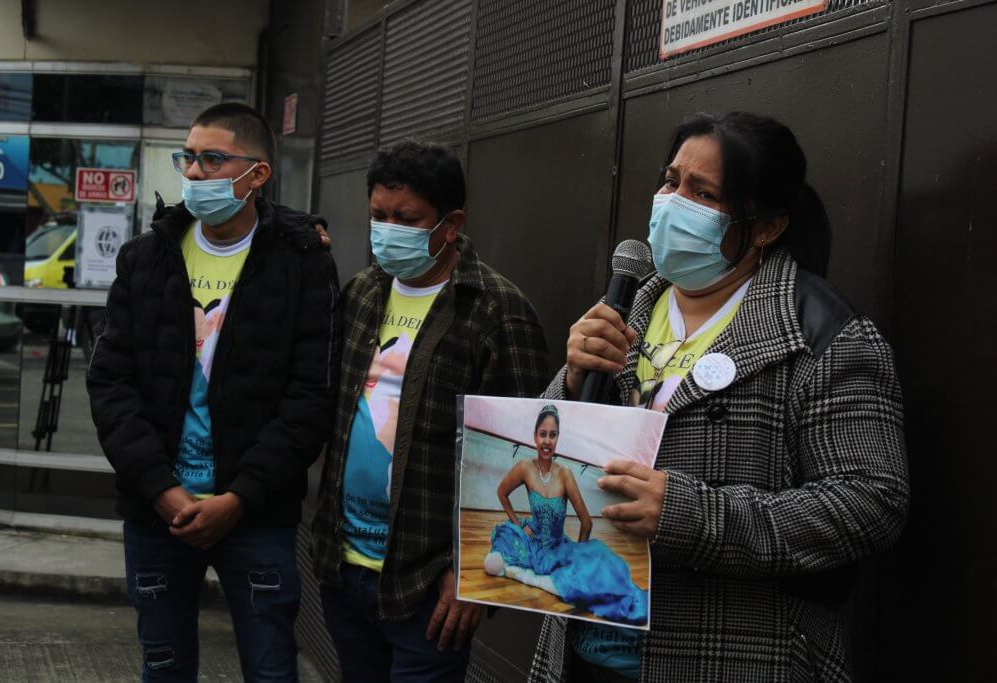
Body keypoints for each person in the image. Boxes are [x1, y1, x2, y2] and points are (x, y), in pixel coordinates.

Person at [529, 112, 909, 682]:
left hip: (731, 652)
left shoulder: (825, 335)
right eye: (670, 180)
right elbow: (545, 447)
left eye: (701, 193)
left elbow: (871, 503)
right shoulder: (625, 307)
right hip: (581, 645)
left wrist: (693, 515)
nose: (672, 201)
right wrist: (573, 381)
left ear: (766, 226)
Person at [87, 102, 340, 681]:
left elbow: (311, 397)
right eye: (188, 157)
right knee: (164, 667)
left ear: (257, 174)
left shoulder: (302, 265)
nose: (194, 172)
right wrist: (160, 488)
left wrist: (240, 496)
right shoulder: (145, 259)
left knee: (271, 669)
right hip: (159, 516)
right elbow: (110, 382)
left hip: (255, 516)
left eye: (212, 158)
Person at [310, 139, 550, 682]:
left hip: (429, 586)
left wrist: (476, 577)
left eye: (407, 218)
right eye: (378, 215)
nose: (387, 229)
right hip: (344, 569)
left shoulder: (498, 312)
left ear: (451, 223)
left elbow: (526, 457)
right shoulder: (362, 294)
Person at [485, 404, 648, 626]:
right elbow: (502, 492)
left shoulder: (565, 475)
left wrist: (578, 560)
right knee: (496, 555)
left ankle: (534, 575)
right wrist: (518, 523)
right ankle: (520, 570)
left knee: (601, 564)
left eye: (552, 435)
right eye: (543, 434)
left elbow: (586, 522)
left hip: (557, 548)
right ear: (535, 437)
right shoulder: (524, 467)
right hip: (531, 539)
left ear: (557, 439)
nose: (547, 441)